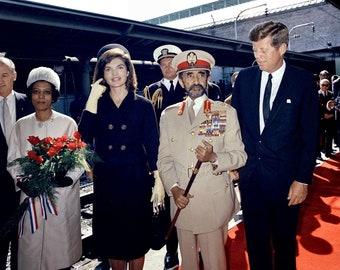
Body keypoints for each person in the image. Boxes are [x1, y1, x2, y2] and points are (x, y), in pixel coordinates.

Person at [231, 21, 319, 270]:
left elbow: (309, 134)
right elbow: (235, 125)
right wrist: (233, 161)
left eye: (263, 50)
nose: (257, 56)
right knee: (256, 246)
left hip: (286, 182)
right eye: (254, 50)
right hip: (251, 178)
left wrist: (302, 180)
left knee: (284, 246)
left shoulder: (302, 81)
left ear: (282, 48)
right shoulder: (245, 79)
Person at [157, 49, 247, 270]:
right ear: (180, 81)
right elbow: (164, 159)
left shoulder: (224, 113)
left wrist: (214, 157)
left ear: (208, 78)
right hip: (182, 202)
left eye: (201, 74)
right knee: (188, 264)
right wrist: (174, 189)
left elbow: (240, 156)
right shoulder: (168, 115)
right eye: (189, 75)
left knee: (215, 263)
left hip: (212, 202)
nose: (195, 80)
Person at [78, 45, 164, 270]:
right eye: (108, 69)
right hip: (107, 181)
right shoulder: (98, 103)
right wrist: (92, 99)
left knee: (136, 238)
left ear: (128, 72)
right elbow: (81, 137)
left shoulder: (143, 106)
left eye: (119, 67)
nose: (114, 73)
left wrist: (159, 181)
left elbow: (154, 146)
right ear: (102, 75)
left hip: (136, 180)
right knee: (112, 240)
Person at [7, 66, 83, 269]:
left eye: (47, 92)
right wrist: (23, 183)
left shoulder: (68, 124)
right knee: (31, 251)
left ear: (54, 96)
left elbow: (79, 159)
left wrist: (67, 178)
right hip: (31, 197)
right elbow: (13, 160)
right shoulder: (21, 125)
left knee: (59, 251)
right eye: (36, 91)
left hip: (59, 197)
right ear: (30, 94)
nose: (41, 97)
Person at [143, 44, 185, 270]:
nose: (167, 67)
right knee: (169, 207)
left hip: (189, 155)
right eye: (163, 64)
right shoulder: (152, 91)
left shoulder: (191, 85)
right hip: (166, 158)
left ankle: (195, 247)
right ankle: (171, 251)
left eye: (171, 63)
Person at [0, 56, 33, 270]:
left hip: (25, 187)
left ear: (14, 76)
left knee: (23, 242)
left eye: (4, 75)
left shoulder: (28, 103)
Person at [318, 78, 336, 158]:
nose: (325, 87)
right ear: (320, 85)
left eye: (327, 85)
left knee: (330, 135)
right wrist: (323, 115)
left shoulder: (331, 94)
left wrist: (332, 114)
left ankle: (328, 152)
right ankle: (318, 154)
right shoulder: (316, 94)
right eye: (323, 85)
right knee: (319, 137)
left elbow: (334, 104)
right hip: (321, 119)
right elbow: (315, 107)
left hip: (330, 118)